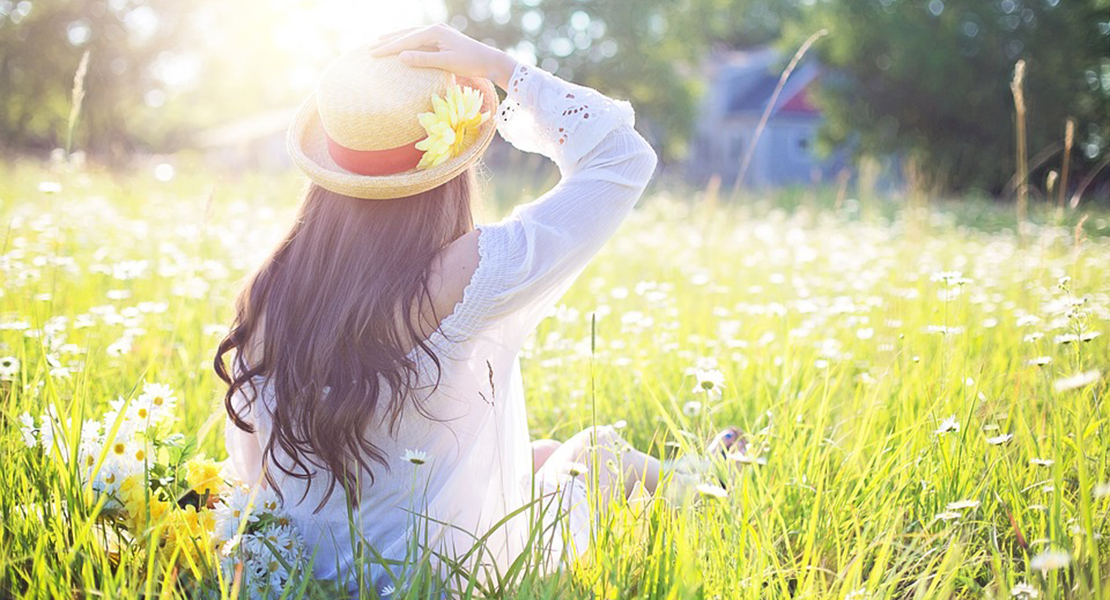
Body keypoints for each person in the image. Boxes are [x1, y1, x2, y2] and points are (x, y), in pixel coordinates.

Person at [215, 24, 742, 595]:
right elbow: (622, 158)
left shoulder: (270, 286)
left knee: (538, 455)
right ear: (449, 165)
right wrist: (502, 68)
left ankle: (697, 474)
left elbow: (254, 464)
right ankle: (707, 485)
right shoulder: (464, 273)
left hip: (313, 567)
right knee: (596, 451)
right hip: (444, 578)